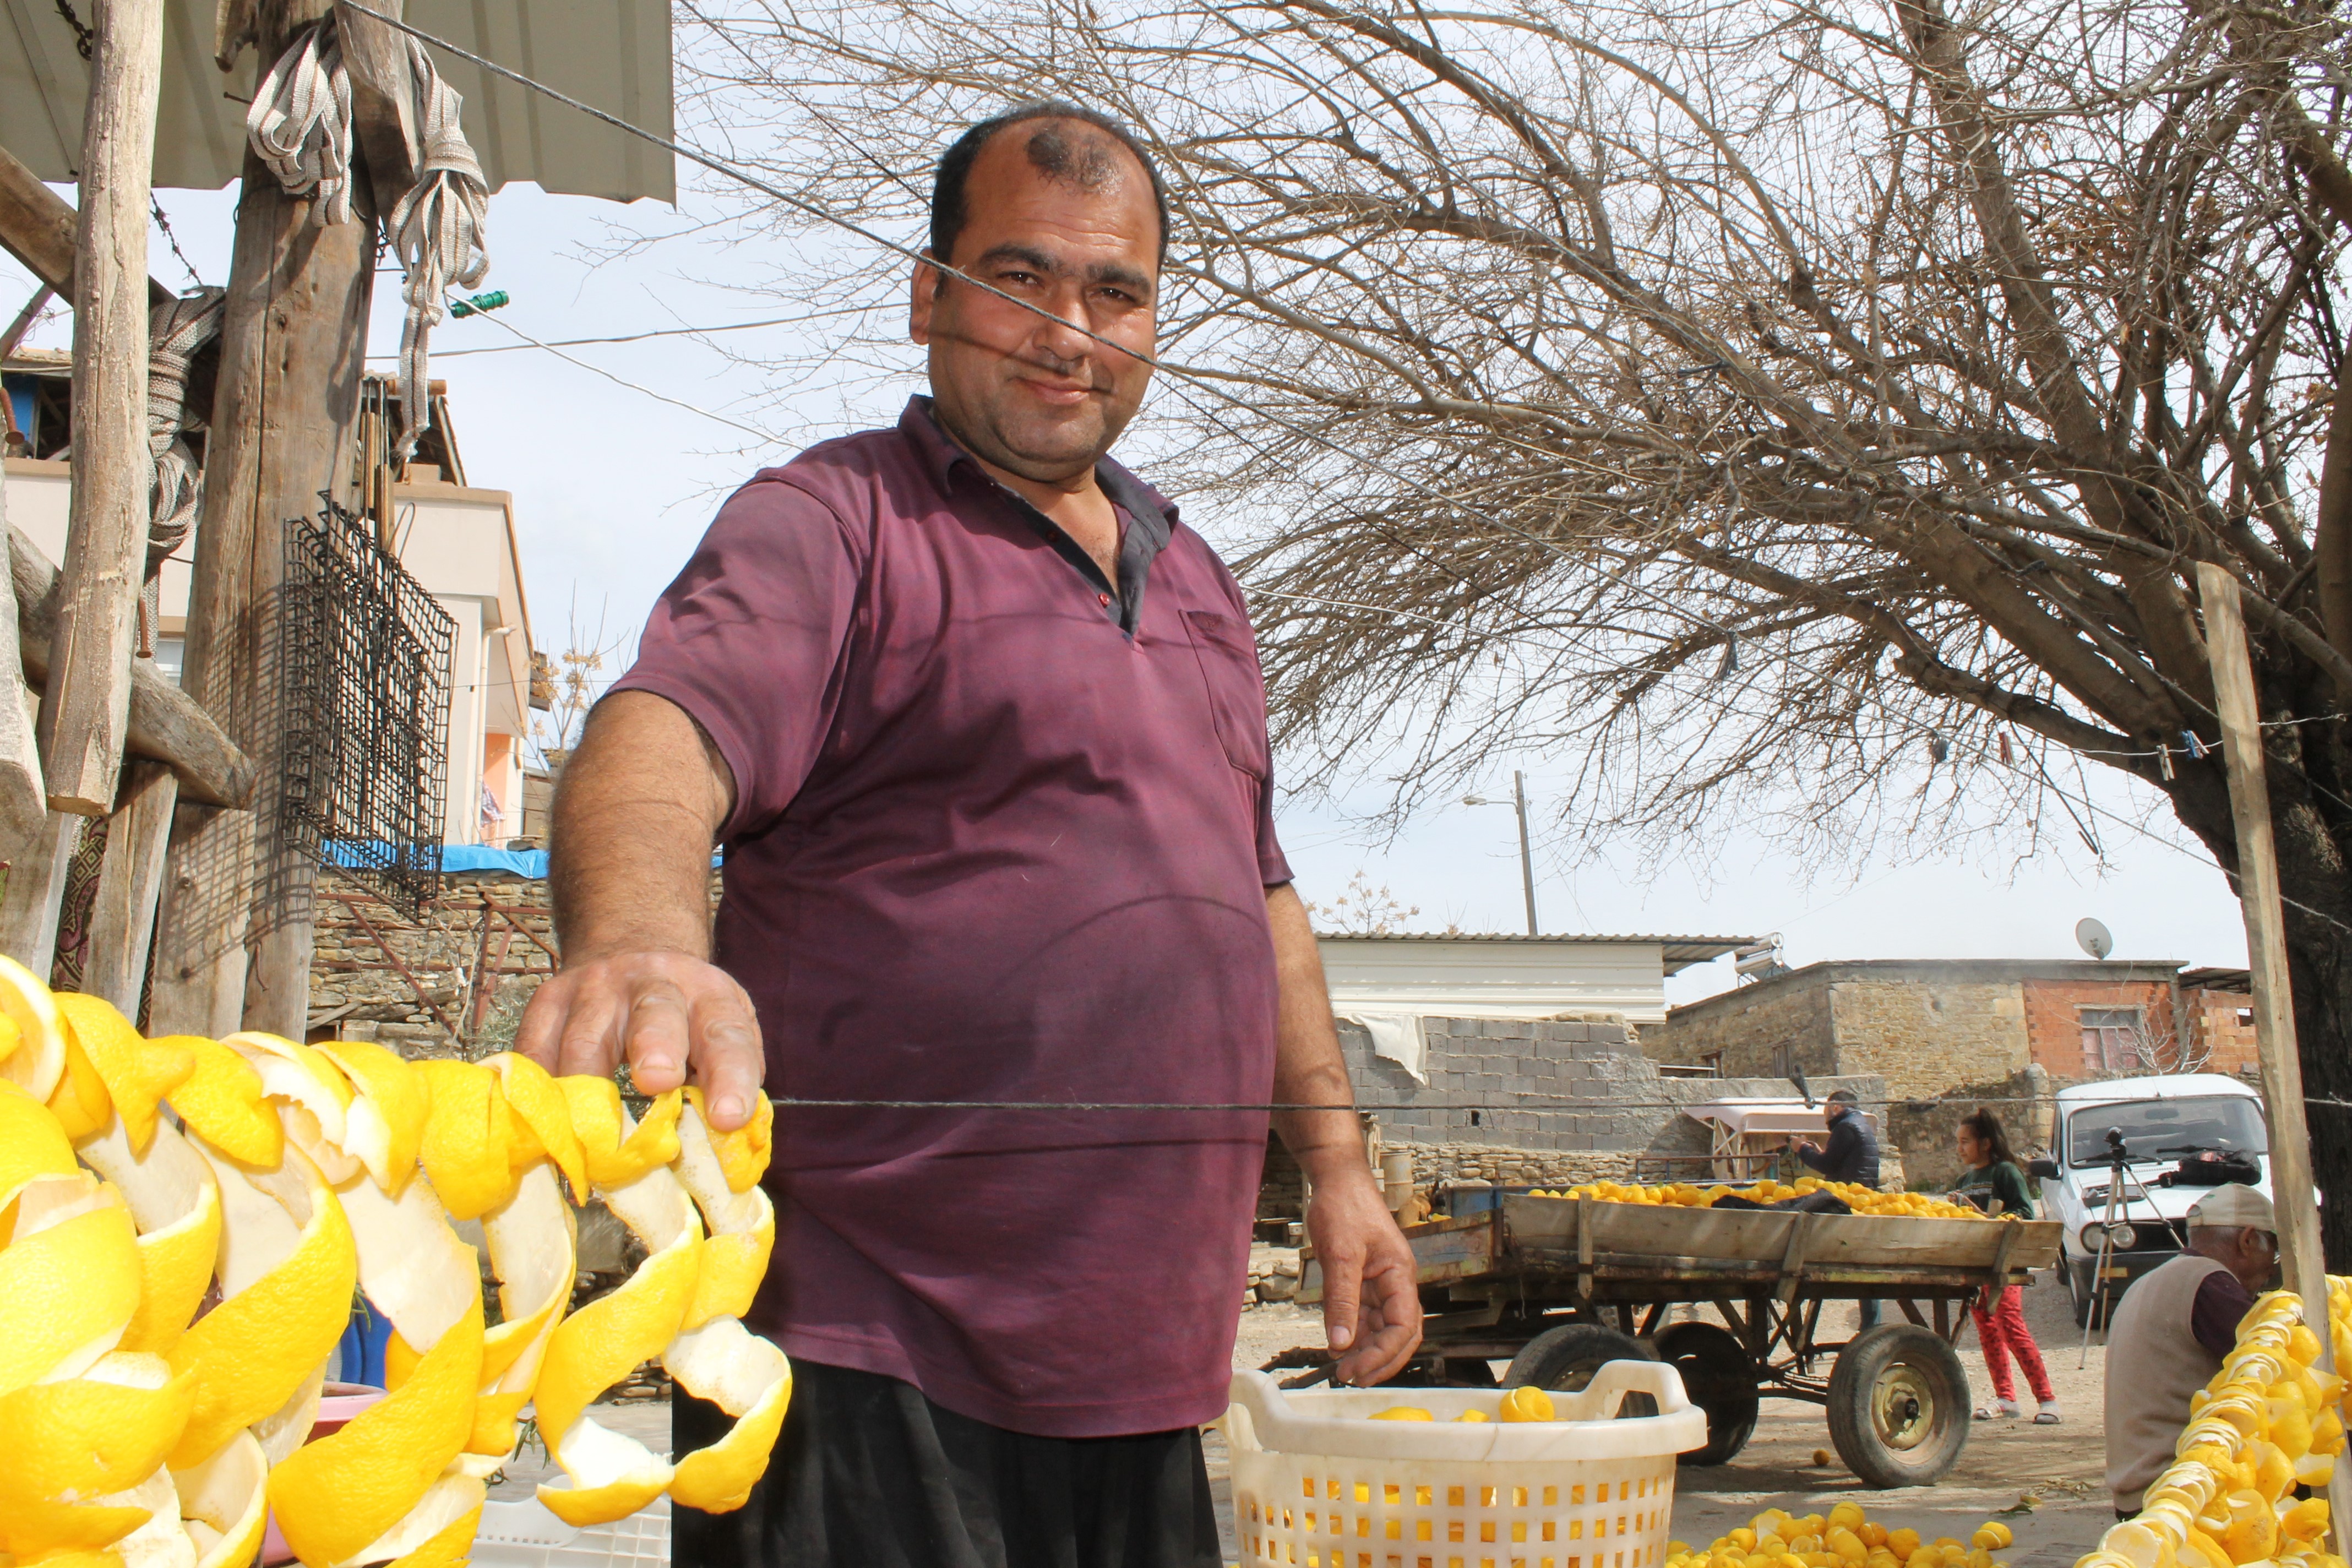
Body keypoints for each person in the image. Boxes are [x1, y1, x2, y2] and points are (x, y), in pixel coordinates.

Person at [517, 100, 1422, 1566]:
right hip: (861, 1360)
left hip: (1139, 1375)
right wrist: (636, 944)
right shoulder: (833, 525)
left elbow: (1260, 901)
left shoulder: (1201, 586)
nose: (1071, 331)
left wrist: (1338, 1177)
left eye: (1115, 292)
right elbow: (662, 728)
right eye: (1022, 279)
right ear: (931, 295)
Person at [2103, 1185, 2280, 1518]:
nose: (2272, 1265)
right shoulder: (2209, 1282)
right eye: (2273, 1247)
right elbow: (2280, 1367)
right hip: (2177, 1492)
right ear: (2248, 1240)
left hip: (2138, 1489)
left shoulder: (2153, 1280)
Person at [1950, 1109, 2059, 1424]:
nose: (1960, 1149)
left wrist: (1984, 1217)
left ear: (1985, 1143)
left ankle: (2048, 1399)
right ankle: (2006, 1397)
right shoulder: (1964, 1180)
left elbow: (2024, 1212)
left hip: (2004, 1264)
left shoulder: (2005, 1172)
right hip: (1977, 1266)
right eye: (1958, 1142)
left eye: (1965, 1142)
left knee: (2010, 1325)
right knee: (1986, 1330)